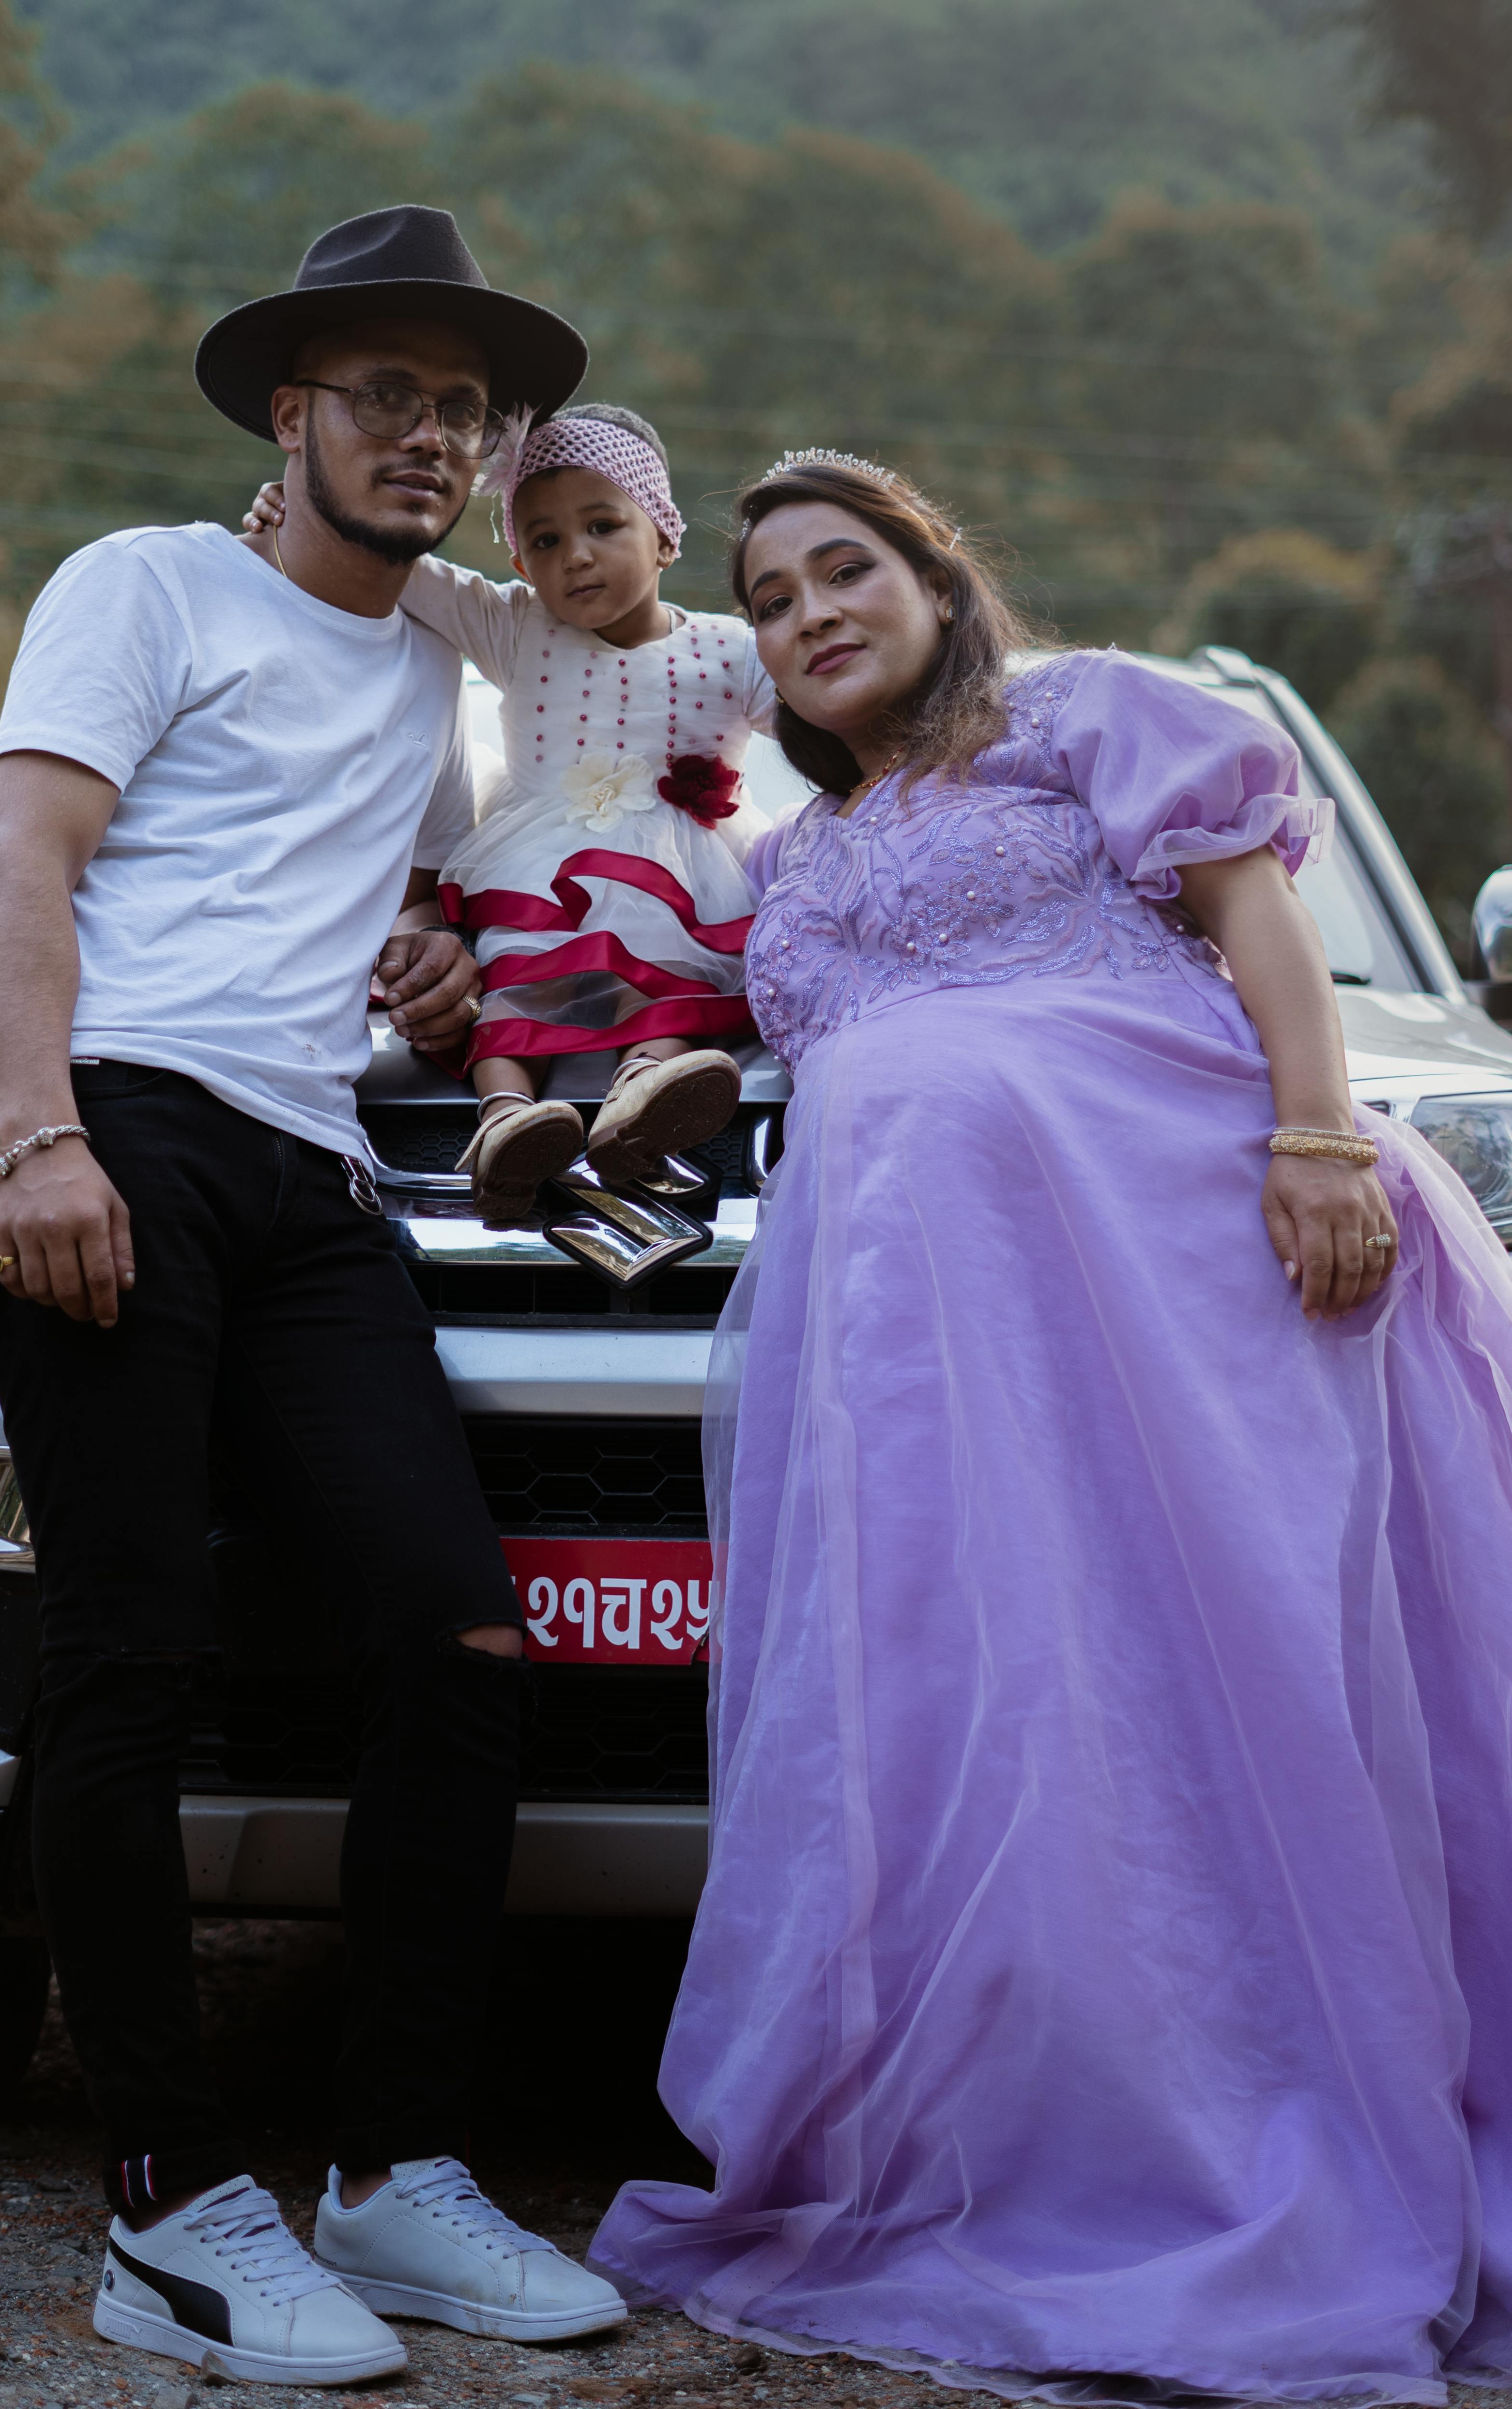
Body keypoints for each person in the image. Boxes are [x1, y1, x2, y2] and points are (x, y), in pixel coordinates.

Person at [590, 453, 1512, 2400]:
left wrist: (1313, 1133)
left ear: (935, 578)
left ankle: (1287, 2114)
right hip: (935, 1381)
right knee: (1017, 1711)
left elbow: (1251, 916)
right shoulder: (802, 865)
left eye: (847, 567)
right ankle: (1038, 2112)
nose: (810, 611)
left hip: (1170, 1292)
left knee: (1231, 1670)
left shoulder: (1085, 718)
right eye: (767, 596)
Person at [0, 206, 626, 2388]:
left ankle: (394, 2169)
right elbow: (29, 865)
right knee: (129, 1648)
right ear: (290, 410)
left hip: (317, 1179)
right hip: (111, 1133)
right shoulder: (145, 581)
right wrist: (36, 1131)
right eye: (391, 394)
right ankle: (169, 2194)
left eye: (466, 404)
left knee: (460, 1631)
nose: (433, 433)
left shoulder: (440, 676)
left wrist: (427, 970)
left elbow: (383, 920)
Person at [247, 402, 778, 1222]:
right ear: (521, 564)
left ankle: (645, 1088)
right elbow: (406, 569)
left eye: (603, 526)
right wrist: (297, 514)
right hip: (539, 858)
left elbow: (823, 712)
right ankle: (505, 1120)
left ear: (665, 535)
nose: (576, 557)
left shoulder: (732, 649)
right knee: (513, 978)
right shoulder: (517, 629)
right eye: (544, 541)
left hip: (684, 867)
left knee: (671, 967)